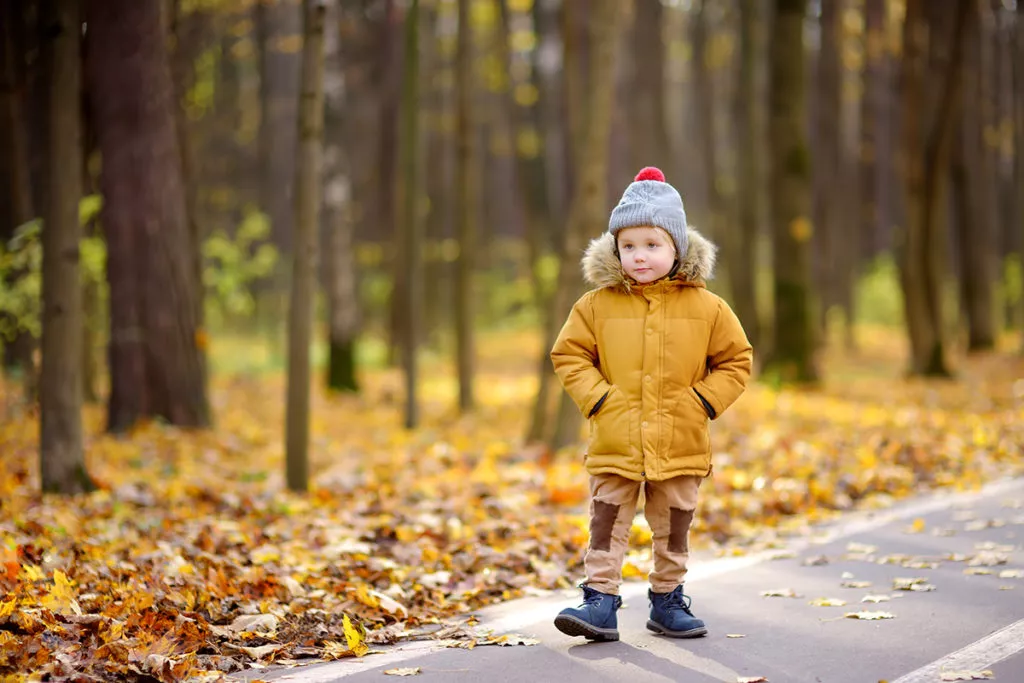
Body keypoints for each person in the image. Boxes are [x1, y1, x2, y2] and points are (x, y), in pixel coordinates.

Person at [550, 166, 753, 641]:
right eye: (629, 246)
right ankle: (599, 599)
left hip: (681, 437)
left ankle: (667, 599)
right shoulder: (595, 305)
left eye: (652, 245)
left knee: (673, 523)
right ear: (615, 249)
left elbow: (736, 360)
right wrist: (600, 399)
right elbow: (570, 354)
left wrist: (701, 401)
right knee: (607, 520)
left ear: (677, 247)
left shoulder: (709, 308)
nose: (639, 256)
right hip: (616, 438)